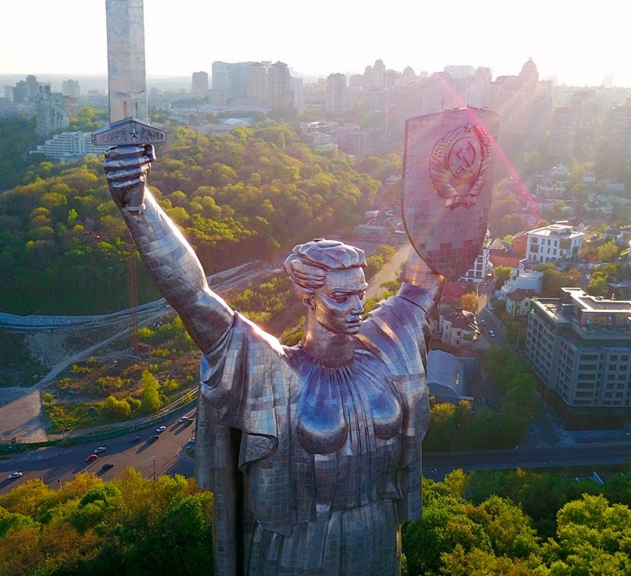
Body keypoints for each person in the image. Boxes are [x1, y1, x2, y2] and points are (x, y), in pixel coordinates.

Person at [103, 145, 441, 576]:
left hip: (377, 538)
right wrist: (138, 205)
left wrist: (451, 195)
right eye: (341, 297)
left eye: (360, 293)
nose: (357, 307)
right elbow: (194, 298)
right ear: (308, 297)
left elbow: (425, 280)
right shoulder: (274, 373)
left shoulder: (387, 353)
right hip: (297, 548)